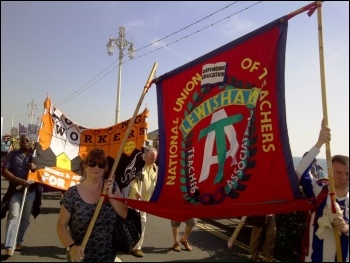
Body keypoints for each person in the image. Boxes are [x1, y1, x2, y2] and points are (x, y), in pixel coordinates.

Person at [56, 148, 128, 262]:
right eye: (92, 163)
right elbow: (61, 225)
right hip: (80, 257)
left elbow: (124, 214)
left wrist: (111, 196)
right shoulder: (72, 193)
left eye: (101, 164)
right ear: (85, 165)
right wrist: (71, 248)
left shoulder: (112, 187)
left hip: (107, 256)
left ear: (105, 168)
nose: (96, 167)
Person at [296, 121, 349, 262]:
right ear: (330, 172)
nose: (343, 177)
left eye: (347, 173)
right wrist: (319, 143)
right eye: (338, 172)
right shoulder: (319, 191)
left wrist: (346, 229)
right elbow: (300, 172)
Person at [1, 134, 40, 257]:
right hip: (15, 192)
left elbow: (46, 172)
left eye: (27, 141)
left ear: (31, 142)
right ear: (19, 142)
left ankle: (19, 241)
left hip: (30, 193)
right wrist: (18, 180)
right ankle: (9, 245)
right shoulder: (12, 154)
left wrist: (35, 167)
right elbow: (4, 170)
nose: (25, 143)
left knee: (25, 219)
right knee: (13, 216)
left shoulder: (36, 156)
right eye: (22, 141)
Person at [128, 147, 158, 258]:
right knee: (135, 223)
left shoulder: (155, 168)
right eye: (151, 158)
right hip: (136, 201)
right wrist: (136, 192)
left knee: (142, 224)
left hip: (147, 203)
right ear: (146, 156)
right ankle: (132, 245)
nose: (153, 160)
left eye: (154, 158)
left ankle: (136, 247)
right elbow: (133, 181)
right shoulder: (140, 166)